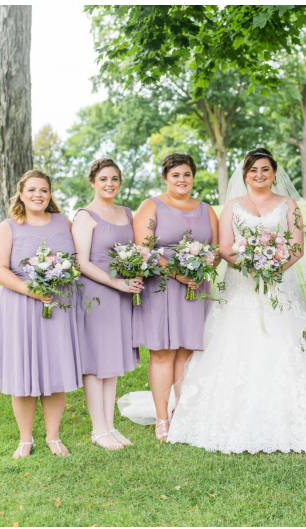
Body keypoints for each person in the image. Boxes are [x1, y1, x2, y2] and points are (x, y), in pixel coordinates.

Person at [167, 148, 306, 454]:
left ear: (274, 173)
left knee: (284, 342)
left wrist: (272, 268)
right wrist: (250, 265)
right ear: (245, 175)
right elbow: (224, 247)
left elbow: (297, 248)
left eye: (265, 170)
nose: (259, 175)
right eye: (253, 171)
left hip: (279, 285)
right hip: (241, 286)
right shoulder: (233, 206)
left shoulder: (289, 205)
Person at [0, 170, 81, 457]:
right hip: (20, 307)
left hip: (59, 305)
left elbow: (78, 260)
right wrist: (32, 291)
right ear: (21, 194)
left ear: (50, 194)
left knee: (56, 368)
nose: (38, 195)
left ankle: (53, 436)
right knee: (23, 371)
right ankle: (25, 439)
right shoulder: (9, 226)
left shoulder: (64, 222)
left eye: (44, 190)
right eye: (32, 190)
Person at [132, 153, 219, 442]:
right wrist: (177, 273)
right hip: (162, 287)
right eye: (175, 175)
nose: (182, 180)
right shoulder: (151, 206)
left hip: (195, 288)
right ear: (165, 178)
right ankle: (161, 418)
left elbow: (216, 250)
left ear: (193, 177)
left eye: (187, 175)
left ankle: (183, 412)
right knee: (162, 352)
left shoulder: (206, 209)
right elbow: (143, 250)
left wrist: (202, 268)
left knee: (186, 352)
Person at [72, 158, 141, 450]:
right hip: (96, 294)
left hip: (122, 294)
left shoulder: (126, 213)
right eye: (103, 179)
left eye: (114, 179)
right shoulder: (85, 216)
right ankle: (98, 429)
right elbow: (81, 262)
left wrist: (136, 275)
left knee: (111, 360)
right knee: (95, 362)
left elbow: (136, 250)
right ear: (93, 182)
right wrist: (117, 283)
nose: (109, 184)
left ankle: (110, 425)